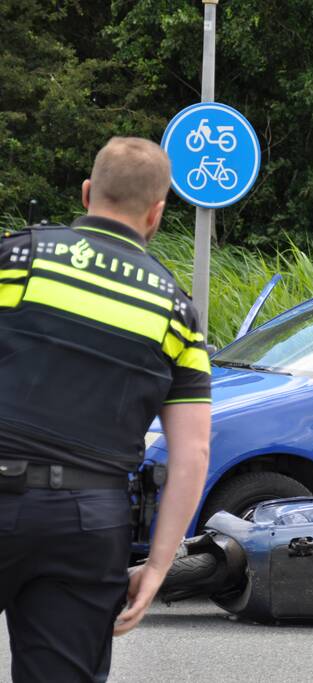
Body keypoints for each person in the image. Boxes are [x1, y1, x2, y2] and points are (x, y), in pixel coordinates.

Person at [0, 137, 211, 681]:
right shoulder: (176, 312)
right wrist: (160, 566)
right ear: (157, 213)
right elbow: (193, 451)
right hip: (87, 522)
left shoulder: (16, 258)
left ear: (88, 191)